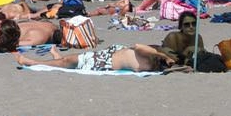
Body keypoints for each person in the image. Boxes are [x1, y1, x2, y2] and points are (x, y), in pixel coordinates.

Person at [17, 41, 173, 73]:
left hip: (103, 62)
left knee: (69, 61)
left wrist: (164, 60)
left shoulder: (149, 66)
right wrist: (161, 55)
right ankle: (46, 59)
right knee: (68, 61)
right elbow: (139, 45)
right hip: (108, 54)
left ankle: (34, 61)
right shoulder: (146, 52)